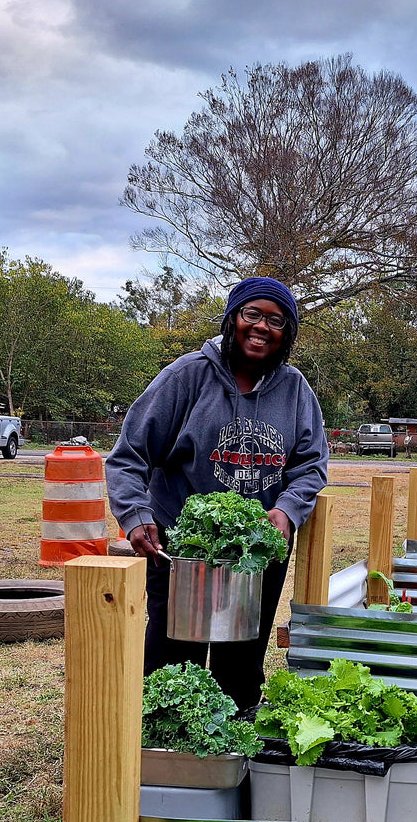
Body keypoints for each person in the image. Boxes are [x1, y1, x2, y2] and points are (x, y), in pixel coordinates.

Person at [105, 276, 328, 710]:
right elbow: (129, 454)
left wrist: (286, 511)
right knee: (172, 661)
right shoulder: (187, 376)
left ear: (288, 334)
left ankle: (232, 761)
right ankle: (165, 755)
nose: (262, 327)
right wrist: (134, 515)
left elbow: (311, 465)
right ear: (232, 319)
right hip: (180, 551)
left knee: (241, 666)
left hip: (258, 554)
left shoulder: (295, 389)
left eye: (277, 320)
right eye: (252, 314)